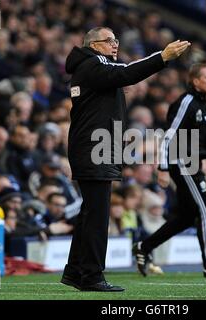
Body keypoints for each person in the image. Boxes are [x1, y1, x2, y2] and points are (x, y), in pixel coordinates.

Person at [61, 26, 190, 292]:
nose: (115, 45)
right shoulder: (92, 64)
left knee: (90, 214)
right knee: (97, 216)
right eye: (109, 41)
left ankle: (76, 272)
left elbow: (118, 78)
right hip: (94, 148)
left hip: (97, 147)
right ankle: (93, 276)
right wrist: (162, 56)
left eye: (116, 40)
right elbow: (128, 72)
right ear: (93, 45)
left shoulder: (92, 68)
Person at [133, 63, 206, 278]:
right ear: (195, 81)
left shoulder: (205, 104)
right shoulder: (187, 102)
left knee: (188, 217)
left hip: (193, 163)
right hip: (182, 162)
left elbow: (202, 141)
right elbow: (169, 136)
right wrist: (162, 168)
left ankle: (144, 246)